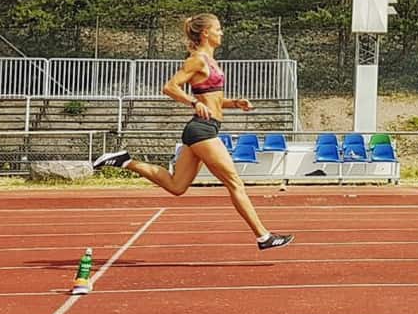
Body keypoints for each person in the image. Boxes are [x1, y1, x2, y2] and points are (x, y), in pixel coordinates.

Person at [93, 13, 294, 251]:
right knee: (235, 183)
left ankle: (125, 161)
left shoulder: (211, 60)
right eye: (218, 29)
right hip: (202, 130)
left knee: (177, 187)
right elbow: (169, 87)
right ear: (205, 33)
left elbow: (211, 100)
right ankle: (263, 236)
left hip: (204, 128)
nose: (222, 32)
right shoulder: (197, 59)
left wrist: (234, 103)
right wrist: (192, 103)